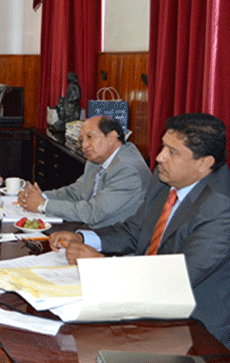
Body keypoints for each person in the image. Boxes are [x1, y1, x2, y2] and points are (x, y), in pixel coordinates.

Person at [49, 113, 230, 349]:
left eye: (172, 152)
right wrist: (83, 238)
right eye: (163, 147)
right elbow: (134, 231)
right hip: (146, 301)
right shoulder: (165, 178)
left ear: (204, 163)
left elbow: (177, 278)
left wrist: (103, 265)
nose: (160, 157)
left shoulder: (220, 207)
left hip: (194, 331)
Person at [18, 116, 151, 228]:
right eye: (81, 140)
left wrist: (43, 205)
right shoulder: (96, 159)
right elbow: (75, 192)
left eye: (90, 137)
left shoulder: (128, 169)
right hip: (90, 227)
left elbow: (94, 212)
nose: (84, 145)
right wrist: (39, 197)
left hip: (113, 239)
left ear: (112, 137)